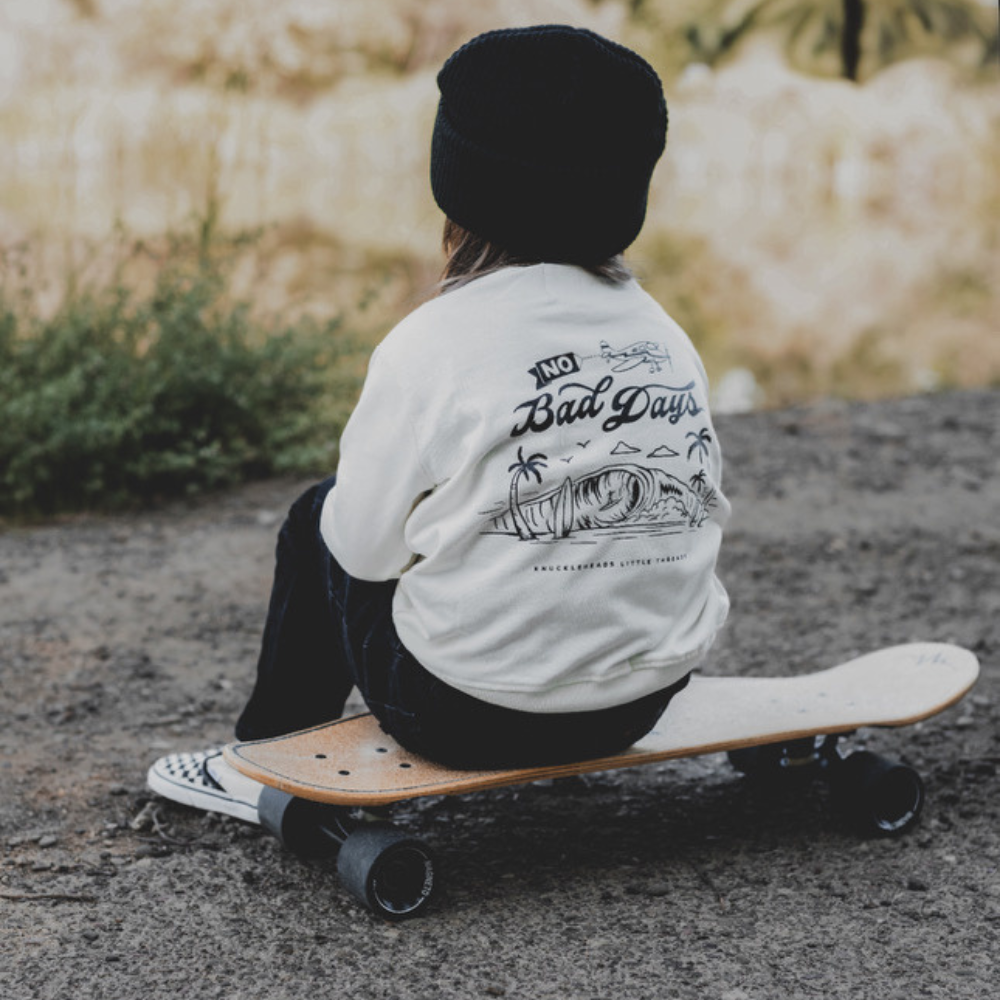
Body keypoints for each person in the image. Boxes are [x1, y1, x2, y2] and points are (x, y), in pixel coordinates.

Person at [147, 24, 730, 824]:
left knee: (318, 516)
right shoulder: (667, 338)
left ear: (458, 185)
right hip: (641, 700)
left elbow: (361, 548)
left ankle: (265, 761)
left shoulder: (433, 344)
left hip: (462, 715)